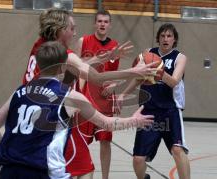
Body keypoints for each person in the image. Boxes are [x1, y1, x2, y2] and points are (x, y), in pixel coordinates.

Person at [0, 41, 154, 179]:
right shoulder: (69, 96)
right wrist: (135, 121)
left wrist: (10, 153)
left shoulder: (19, 91)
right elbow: (106, 123)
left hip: (9, 171)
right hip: (43, 171)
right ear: (63, 67)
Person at [21, 8, 158, 179]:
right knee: (84, 169)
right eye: (71, 28)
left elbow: (80, 64)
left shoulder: (42, 45)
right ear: (60, 30)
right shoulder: (63, 54)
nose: (74, 32)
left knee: (68, 167)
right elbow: (96, 77)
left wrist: (108, 56)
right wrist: (134, 72)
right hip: (52, 116)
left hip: (26, 112)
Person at [118, 23, 190, 179]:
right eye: (162, 36)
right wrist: (123, 95)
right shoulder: (147, 54)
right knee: (138, 159)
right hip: (148, 111)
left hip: (170, 111)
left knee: (178, 149)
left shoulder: (180, 57)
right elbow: (138, 78)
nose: (165, 39)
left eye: (169, 36)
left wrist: (158, 70)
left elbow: (174, 82)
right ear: (158, 38)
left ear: (174, 39)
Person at [74, 9, 120, 179]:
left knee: (105, 141)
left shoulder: (114, 46)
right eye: (99, 21)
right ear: (95, 23)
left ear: (110, 25)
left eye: (105, 22)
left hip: (105, 100)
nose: (102, 24)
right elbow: (76, 69)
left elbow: (115, 73)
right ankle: (79, 172)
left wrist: (114, 85)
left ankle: (105, 177)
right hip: (85, 97)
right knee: (81, 141)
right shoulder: (83, 41)